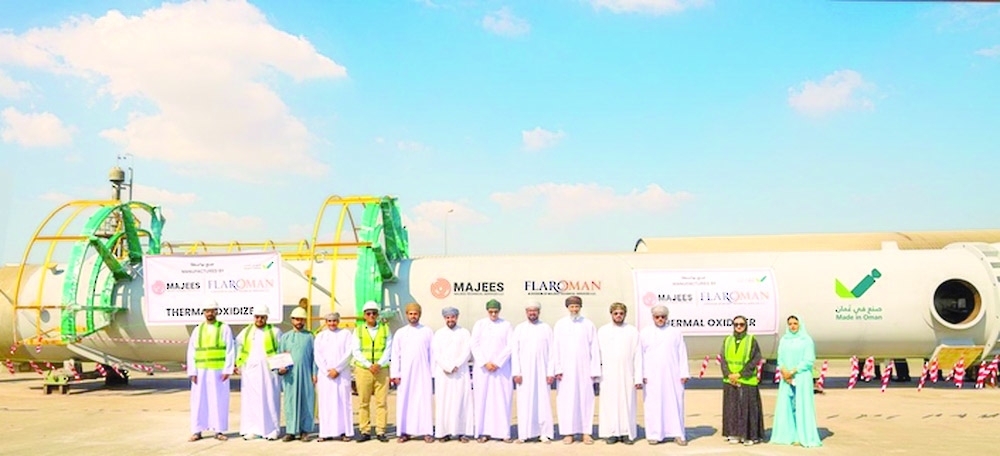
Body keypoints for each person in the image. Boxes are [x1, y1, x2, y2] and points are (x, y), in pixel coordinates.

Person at [552, 295, 600, 445]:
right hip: (565, 371)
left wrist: (594, 371)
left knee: (586, 400)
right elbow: (555, 348)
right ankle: (568, 433)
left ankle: (586, 433)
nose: (574, 309)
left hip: (585, 370)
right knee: (566, 401)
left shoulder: (588, 324)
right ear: (567, 308)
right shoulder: (560, 325)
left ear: (580, 307)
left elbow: (594, 348)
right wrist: (557, 368)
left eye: (576, 306)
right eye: (571, 306)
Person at [186, 298, 235, 442]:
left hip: (218, 372)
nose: (210, 313)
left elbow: (230, 350)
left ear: (216, 312)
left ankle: (218, 431)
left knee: (218, 401)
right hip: (200, 372)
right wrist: (192, 371)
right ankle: (197, 431)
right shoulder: (198, 329)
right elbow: (191, 351)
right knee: (198, 401)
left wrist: (227, 369)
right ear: (204, 312)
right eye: (207, 311)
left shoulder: (224, 328)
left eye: (212, 311)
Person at [770, 315, 823, 447]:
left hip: (801, 376)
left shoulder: (806, 340)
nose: (792, 326)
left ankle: (802, 436)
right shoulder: (784, 340)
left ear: (800, 324)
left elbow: (808, 360)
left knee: (801, 406)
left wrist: (793, 371)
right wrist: (784, 371)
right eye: (790, 324)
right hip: (786, 378)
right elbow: (780, 358)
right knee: (788, 405)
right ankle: (788, 435)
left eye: (795, 323)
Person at [641, 305, 689, 446]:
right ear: (653, 317)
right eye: (657, 317)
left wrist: (684, 373)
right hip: (652, 376)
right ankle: (654, 434)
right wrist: (642, 374)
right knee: (653, 405)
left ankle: (678, 434)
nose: (660, 319)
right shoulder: (645, 333)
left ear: (667, 317)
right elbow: (640, 356)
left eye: (663, 316)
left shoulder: (675, 332)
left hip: (673, 375)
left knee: (675, 404)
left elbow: (682, 353)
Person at [235, 304, 282, 440]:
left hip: (269, 372)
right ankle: (253, 429)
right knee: (252, 400)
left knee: (270, 399)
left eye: (262, 317)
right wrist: (238, 363)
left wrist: (281, 366)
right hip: (251, 371)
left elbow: (281, 349)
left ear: (266, 318)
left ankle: (272, 429)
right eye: (257, 317)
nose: (259, 320)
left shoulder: (275, 332)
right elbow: (238, 346)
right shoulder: (246, 332)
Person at [596, 302, 642, 445]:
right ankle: (611, 433)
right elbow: (597, 354)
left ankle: (626, 432)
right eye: (615, 313)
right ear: (611, 314)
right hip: (608, 375)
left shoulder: (632, 331)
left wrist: (638, 377)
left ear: (625, 314)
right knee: (609, 403)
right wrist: (596, 373)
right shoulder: (603, 331)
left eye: (621, 313)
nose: (618, 316)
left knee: (627, 403)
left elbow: (638, 355)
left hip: (627, 374)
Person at [470, 298, 514, 443]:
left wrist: (498, 362)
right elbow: (474, 344)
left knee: (502, 399)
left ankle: (503, 432)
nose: (493, 314)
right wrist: (485, 363)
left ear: (499, 311)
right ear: (487, 311)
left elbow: (510, 346)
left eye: (496, 311)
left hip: (501, 370)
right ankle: (484, 432)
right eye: (491, 312)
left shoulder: (506, 325)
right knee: (483, 400)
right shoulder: (480, 324)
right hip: (483, 370)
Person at [511, 300, 555, 444]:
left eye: (535, 310)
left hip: (542, 372)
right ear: (526, 312)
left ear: (539, 312)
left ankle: (544, 433)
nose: (532, 313)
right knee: (524, 402)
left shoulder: (546, 328)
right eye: (530, 310)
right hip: (524, 373)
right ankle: (523, 434)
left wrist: (550, 372)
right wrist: (516, 372)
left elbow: (552, 352)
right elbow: (515, 352)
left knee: (543, 402)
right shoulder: (519, 329)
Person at [390, 302, 435, 443]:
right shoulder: (401, 333)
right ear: (407, 315)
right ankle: (404, 432)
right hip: (405, 375)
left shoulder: (427, 331)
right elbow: (395, 354)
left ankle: (427, 432)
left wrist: (432, 373)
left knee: (424, 402)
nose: (413, 316)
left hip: (423, 373)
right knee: (405, 402)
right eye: (410, 314)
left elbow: (432, 354)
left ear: (419, 315)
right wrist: (395, 374)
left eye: (415, 314)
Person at [431, 306, 474, 443]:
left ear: (457, 317)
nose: (450, 319)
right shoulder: (439, 333)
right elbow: (436, 353)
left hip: (460, 372)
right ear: (444, 318)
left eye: (453, 317)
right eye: (448, 317)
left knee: (461, 401)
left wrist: (456, 365)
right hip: (444, 374)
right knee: (444, 402)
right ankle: (444, 432)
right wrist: (447, 366)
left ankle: (462, 432)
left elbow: (467, 351)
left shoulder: (464, 332)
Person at [720, 315, 765, 446]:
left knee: (748, 409)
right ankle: (734, 433)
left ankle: (750, 436)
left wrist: (740, 374)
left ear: (746, 326)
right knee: (732, 408)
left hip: (747, 379)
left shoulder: (751, 340)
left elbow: (755, 359)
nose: (739, 327)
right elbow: (723, 359)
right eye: (736, 324)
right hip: (730, 380)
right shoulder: (727, 340)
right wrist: (729, 374)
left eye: (741, 324)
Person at [352, 300, 392, 443]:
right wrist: (369, 365)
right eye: (368, 313)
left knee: (381, 402)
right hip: (364, 370)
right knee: (364, 402)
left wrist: (379, 364)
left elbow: (388, 348)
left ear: (377, 314)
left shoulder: (385, 329)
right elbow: (356, 350)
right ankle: (365, 431)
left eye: (374, 313)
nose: (371, 316)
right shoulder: (358, 330)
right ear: (364, 315)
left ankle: (381, 430)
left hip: (381, 369)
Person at [314, 312, 356, 442]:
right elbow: (317, 355)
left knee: (343, 402)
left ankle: (345, 432)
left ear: (338, 321)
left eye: (334, 321)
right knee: (326, 403)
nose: (332, 323)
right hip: (325, 375)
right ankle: (326, 432)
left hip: (341, 374)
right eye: (329, 321)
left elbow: (349, 353)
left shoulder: (346, 334)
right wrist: (327, 371)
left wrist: (337, 369)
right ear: (326, 322)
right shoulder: (320, 336)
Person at [278, 306, 316, 442]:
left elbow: (315, 357)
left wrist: (314, 373)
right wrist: (280, 369)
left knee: (307, 401)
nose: (299, 322)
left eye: (301, 319)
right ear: (292, 320)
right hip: (290, 376)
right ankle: (291, 431)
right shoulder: (285, 337)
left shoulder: (310, 337)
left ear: (304, 320)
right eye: (296, 319)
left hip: (306, 374)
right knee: (290, 402)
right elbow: (280, 356)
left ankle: (305, 431)